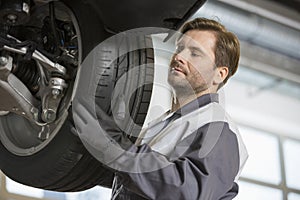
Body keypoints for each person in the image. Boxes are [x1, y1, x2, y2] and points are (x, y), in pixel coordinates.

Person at [73, 17, 248, 200]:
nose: (179, 57)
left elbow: (187, 191)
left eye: (195, 53)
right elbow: (143, 183)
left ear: (220, 74)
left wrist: (112, 147)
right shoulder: (167, 123)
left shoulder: (218, 127)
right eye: (180, 48)